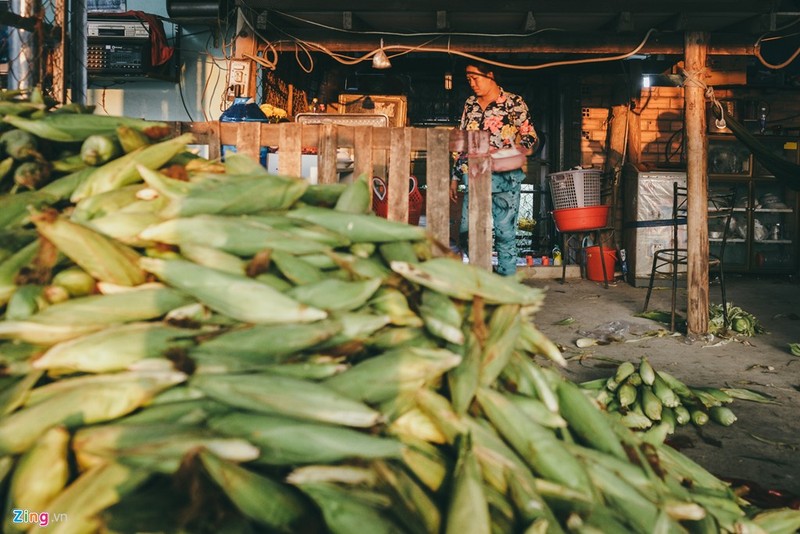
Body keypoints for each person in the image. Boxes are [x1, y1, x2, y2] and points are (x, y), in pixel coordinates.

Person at [450, 61, 538, 276]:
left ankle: (506, 281)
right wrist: (454, 175)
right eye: (468, 79)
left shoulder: (513, 102)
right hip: (475, 176)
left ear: (490, 75)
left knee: (505, 233)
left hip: (506, 178)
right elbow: (462, 140)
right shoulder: (470, 104)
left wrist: (510, 153)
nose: (472, 83)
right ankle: (483, 275)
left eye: (476, 78)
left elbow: (529, 136)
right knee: (467, 232)